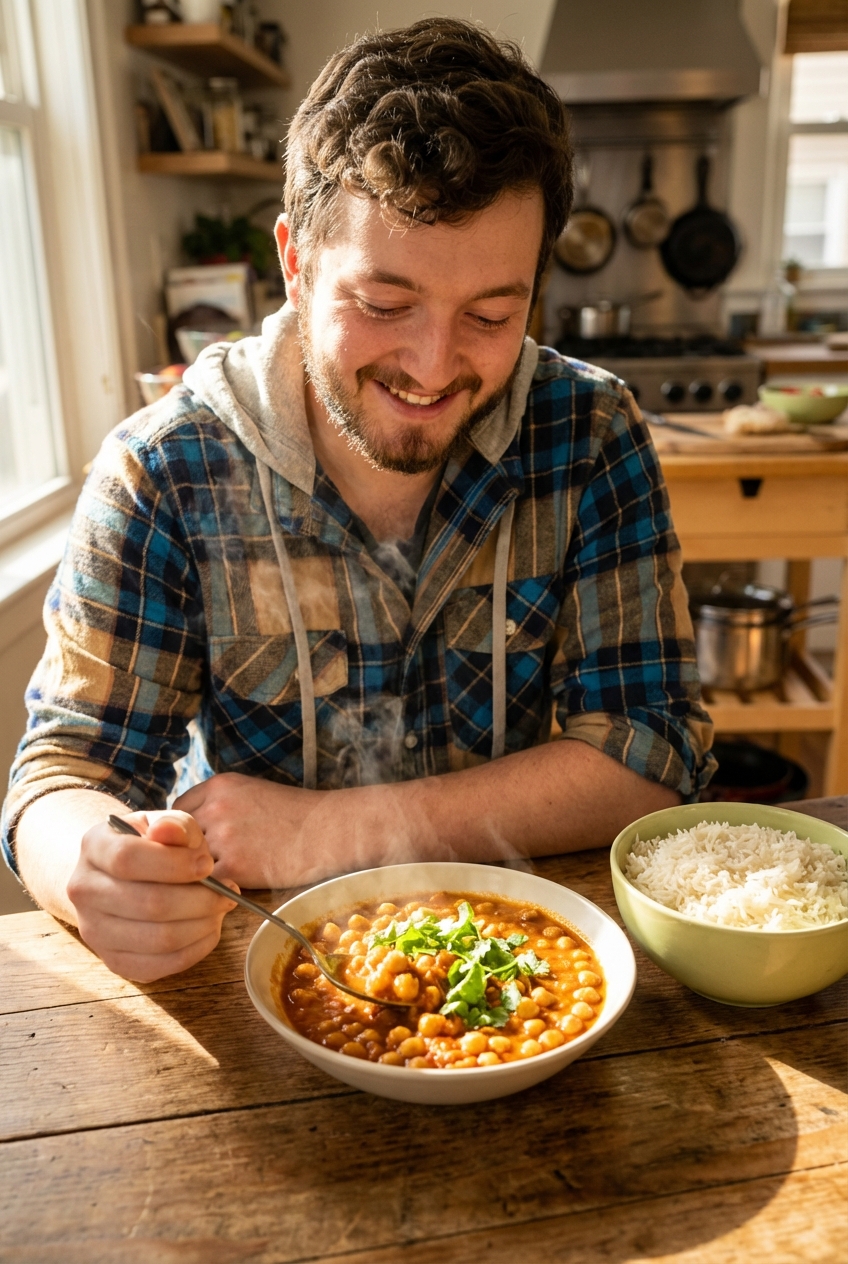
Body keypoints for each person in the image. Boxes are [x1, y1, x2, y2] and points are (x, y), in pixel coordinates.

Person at [2, 19, 714, 982]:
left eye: (492, 316)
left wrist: (337, 831)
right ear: (294, 262)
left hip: (532, 963)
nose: (433, 366)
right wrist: (88, 867)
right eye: (384, 305)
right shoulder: (163, 469)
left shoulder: (590, 433)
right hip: (259, 985)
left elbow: (650, 753)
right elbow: (63, 778)